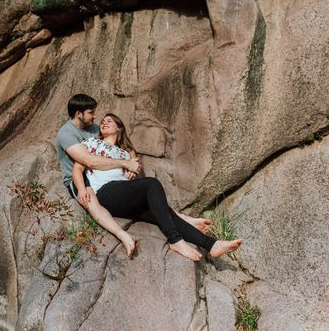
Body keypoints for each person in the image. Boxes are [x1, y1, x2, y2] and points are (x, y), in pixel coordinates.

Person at [56, 94, 212, 258]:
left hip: (112, 183)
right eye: (92, 113)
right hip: (81, 178)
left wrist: (131, 160)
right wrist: (122, 165)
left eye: (105, 119)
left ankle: (206, 240)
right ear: (79, 114)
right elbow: (87, 161)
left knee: (154, 208)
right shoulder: (68, 134)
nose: (97, 118)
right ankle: (125, 236)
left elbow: (124, 147)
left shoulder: (95, 129)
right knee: (97, 198)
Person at [72, 113, 242, 261]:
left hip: (124, 197)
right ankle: (175, 240)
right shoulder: (92, 143)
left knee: (164, 214)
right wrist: (81, 189)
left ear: (119, 127)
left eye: (109, 120)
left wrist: (132, 168)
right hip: (106, 192)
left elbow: (133, 167)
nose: (104, 123)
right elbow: (78, 169)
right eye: (102, 121)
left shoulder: (125, 154)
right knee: (151, 184)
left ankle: (211, 245)